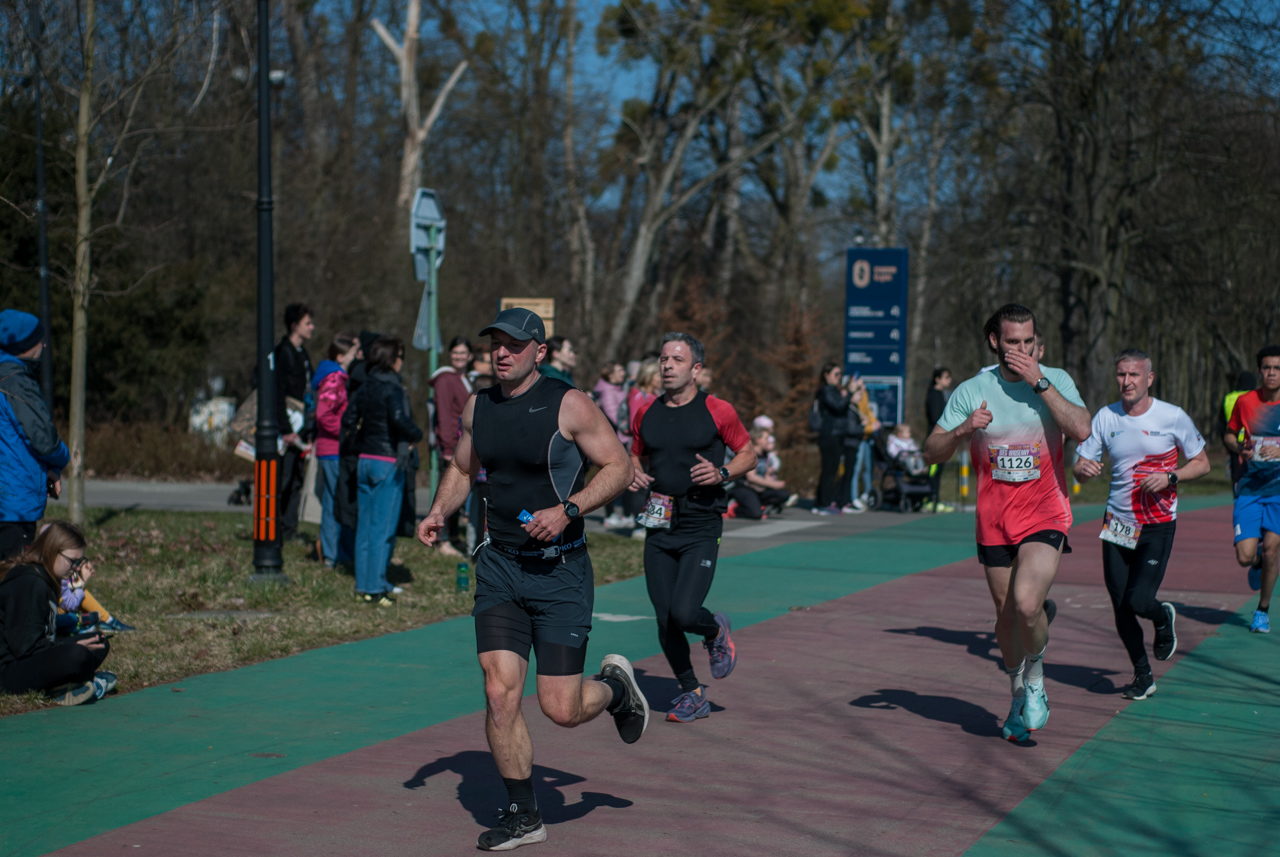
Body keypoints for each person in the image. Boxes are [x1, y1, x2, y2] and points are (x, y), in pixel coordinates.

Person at [416, 308, 649, 852]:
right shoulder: (479, 405)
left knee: (561, 709)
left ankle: (616, 689)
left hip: (559, 572)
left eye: (514, 344)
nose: (502, 352)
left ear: (539, 352)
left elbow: (618, 466)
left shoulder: (570, 404)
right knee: (499, 692)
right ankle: (525, 814)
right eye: (495, 343)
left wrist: (569, 509)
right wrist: (438, 511)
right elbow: (462, 467)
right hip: (500, 566)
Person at [924, 303, 1090, 742]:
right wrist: (961, 431)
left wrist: (1041, 383)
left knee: (1027, 604)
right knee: (1006, 617)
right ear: (995, 342)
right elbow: (931, 451)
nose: (1022, 350)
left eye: (1028, 342)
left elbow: (1082, 428)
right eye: (1013, 342)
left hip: (1045, 512)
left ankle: (1035, 679)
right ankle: (1017, 693)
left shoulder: (1054, 379)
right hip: (995, 521)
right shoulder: (972, 390)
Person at [629, 332, 754, 723]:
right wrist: (633, 472)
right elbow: (634, 455)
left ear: (696, 368)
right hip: (659, 522)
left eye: (677, 359)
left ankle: (714, 632)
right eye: (664, 358)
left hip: (701, 521)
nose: (667, 365)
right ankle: (692, 693)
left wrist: (722, 473)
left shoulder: (718, 410)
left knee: (684, 613)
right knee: (664, 617)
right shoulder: (645, 412)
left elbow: (748, 454)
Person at [1074, 349, 1209, 700]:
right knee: (1121, 605)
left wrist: (1171, 477)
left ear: (1149, 378)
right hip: (1117, 524)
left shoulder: (1172, 416)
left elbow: (1202, 463)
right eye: (1121, 374)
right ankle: (1142, 674)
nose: (1126, 381)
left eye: (1134, 375)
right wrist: (1082, 470)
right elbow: (1081, 465)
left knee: (1139, 600)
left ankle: (1162, 617)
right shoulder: (1106, 416)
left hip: (1156, 524)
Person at [342, 337, 422, 605]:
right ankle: (376, 590)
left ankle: (363, 586)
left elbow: (348, 419)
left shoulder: (365, 386)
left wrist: (360, 441)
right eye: (400, 357)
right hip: (387, 462)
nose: (401, 362)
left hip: (365, 460)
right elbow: (399, 418)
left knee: (365, 528)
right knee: (382, 529)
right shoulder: (393, 387)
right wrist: (417, 433)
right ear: (391, 359)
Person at [0, 521, 114, 705]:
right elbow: (25, 648)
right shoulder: (29, 583)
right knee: (77, 655)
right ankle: (76, 683)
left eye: (79, 562)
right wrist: (67, 649)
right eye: (72, 561)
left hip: (33, 656)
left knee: (99, 642)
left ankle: (67, 683)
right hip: (8, 673)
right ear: (52, 551)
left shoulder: (45, 579)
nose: (76, 568)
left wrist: (67, 644)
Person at [0, 310, 69, 560]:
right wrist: (60, 459)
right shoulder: (16, 383)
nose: (44, 344)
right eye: (39, 339)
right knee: (12, 574)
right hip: (12, 504)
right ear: (25, 346)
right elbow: (44, 441)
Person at [1224, 345, 1280, 633]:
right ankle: (1257, 563)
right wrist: (1238, 448)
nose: (1272, 373)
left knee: (1273, 552)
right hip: (1249, 488)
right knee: (1245, 556)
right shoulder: (1245, 402)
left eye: (1277, 368)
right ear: (1259, 371)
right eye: (1267, 367)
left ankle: (1262, 611)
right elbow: (1229, 434)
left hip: (1279, 492)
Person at [313, 332, 361, 569]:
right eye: (353, 353)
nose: (356, 357)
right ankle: (333, 555)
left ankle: (333, 553)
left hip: (330, 448)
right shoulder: (334, 378)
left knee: (333, 500)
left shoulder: (335, 376)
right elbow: (324, 414)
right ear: (341, 356)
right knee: (335, 502)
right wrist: (345, 433)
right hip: (332, 449)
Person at [273, 303, 315, 543]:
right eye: (307, 323)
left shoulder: (303, 354)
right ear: (294, 325)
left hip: (301, 429)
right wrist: (285, 429)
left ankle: (289, 529)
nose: (312, 327)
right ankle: (274, 529)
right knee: (283, 479)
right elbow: (277, 393)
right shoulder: (283, 353)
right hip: (287, 431)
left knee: (296, 479)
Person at [430, 337, 474, 557]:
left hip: (463, 444)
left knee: (459, 491)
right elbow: (445, 415)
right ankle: (442, 538)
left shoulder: (464, 379)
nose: (459, 357)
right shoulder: (446, 379)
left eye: (463, 353)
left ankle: (454, 536)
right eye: (455, 352)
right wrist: (448, 448)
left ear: (470, 356)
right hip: (452, 445)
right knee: (447, 492)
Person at [593, 363, 631, 528]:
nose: (623, 373)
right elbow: (614, 416)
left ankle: (620, 514)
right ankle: (610, 515)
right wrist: (630, 429)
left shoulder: (618, 389)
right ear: (610, 375)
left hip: (620, 438)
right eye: (620, 370)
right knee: (611, 477)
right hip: (613, 440)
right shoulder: (607, 391)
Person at [729, 427, 796, 519]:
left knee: (784, 494)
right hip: (745, 488)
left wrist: (775, 482)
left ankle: (761, 505)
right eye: (766, 438)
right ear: (758, 440)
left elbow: (766, 474)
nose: (769, 441)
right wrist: (772, 484)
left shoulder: (764, 454)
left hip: (759, 488)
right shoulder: (750, 454)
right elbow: (751, 477)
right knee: (756, 514)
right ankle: (733, 509)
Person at [813, 363, 850, 514]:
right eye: (836, 374)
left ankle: (821, 502)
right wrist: (849, 394)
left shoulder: (834, 390)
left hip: (836, 434)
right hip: (829, 435)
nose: (839, 377)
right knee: (829, 470)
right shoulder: (826, 390)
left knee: (832, 470)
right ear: (826, 375)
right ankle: (824, 504)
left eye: (840, 374)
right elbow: (837, 406)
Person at [846, 376, 880, 512]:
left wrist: (874, 422)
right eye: (860, 386)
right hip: (858, 438)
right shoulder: (852, 398)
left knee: (868, 468)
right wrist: (870, 427)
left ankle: (867, 494)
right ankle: (853, 497)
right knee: (856, 469)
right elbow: (860, 419)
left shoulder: (864, 395)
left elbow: (868, 413)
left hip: (867, 438)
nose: (864, 388)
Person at [1219, 370, 1257, 492]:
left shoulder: (1228, 398)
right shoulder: (1255, 397)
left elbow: (1221, 424)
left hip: (1234, 444)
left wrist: (1226, 444)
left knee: (1237, 476)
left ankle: (1238, 496)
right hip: (1252, 444)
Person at [925, 368, 955, 512]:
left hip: (943, 439)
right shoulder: (933, 395)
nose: (949, 380)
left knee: (939, 470)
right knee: (933, 470)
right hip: (935, 440)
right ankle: (931, 499)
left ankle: (935, 498)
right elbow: (936, 417)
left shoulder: (943, 395)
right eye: (946, 377)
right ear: (938, 379)